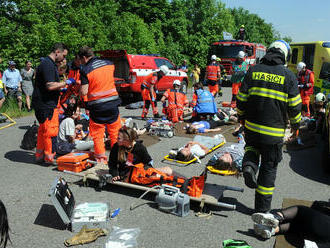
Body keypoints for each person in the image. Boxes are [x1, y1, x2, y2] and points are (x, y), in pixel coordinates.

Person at [236, 40, 302, 213]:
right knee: (268, 168)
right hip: (273, 134)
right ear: (285, 55)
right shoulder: (289, 76)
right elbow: (295, 107)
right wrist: (296, 127)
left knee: (251, 149)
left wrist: (241, 117)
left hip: (251, 126)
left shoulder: (253, 70)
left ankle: (249, 166)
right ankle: (261, 210)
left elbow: (241, 98)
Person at [79, 46, 122, 163]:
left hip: (97, 107)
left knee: (98, 135)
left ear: (84, 57)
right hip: (113, 104)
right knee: (115, 133)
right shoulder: (109, 64)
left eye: (80, 59)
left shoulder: (85, 69)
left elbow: (84, 91)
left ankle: (101, 159)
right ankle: (118, 158)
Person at [32, 43, 71, 164]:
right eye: (63, 56)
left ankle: (39, 155)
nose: (63, 59)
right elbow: (49, 86)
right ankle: (50, 157)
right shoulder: (48, 64)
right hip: (47, 105)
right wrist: (66, 83)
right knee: (51, 131)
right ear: (57, 52)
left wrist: (60, 89)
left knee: (43, 130)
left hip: (42, 103)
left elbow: (48, 85)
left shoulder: (47, 63)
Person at [251, 202, 330, 247]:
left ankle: (275, 217)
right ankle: (272, 230)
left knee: (299, 210)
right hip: (316, 242)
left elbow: (317, 206)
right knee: (296, 226)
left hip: (324, 226)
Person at [108, 127, 173, 181]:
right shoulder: (116, 146)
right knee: (162, 176)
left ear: (127, 140)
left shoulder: (139, 148)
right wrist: (115, 173)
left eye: (119, 138)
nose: (117, 139)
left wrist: (147, 172)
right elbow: (111, 163)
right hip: (127, 174)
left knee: (168, 170)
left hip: (139, 171)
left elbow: (148, 162)